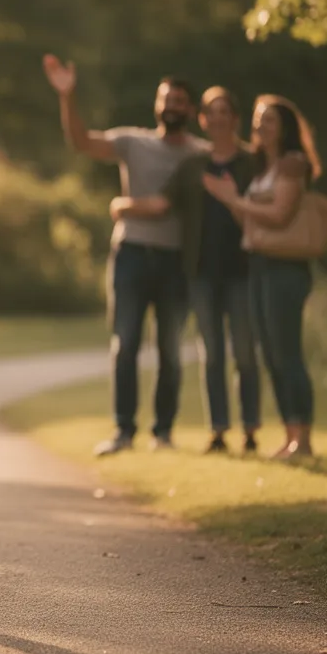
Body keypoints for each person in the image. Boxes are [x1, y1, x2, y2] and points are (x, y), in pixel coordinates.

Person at [42, 56, 209, 456]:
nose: (171, 106)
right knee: (126, 343)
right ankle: (123, 432)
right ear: (156, 104)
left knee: (170, 350)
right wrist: (67, 96)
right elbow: (82, 142)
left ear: (191, 109)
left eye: (179, 101)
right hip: (131, 255)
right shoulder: (134, 142)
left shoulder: (202, 155)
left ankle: (163, 434)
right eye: (166, 99)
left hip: (176, 261)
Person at [110, 87, 261, 454]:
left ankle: (251, 431)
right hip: (201, 271)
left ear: (235, 119)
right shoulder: (193, 165)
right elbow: (162, 203)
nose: (219, 119)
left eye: (225, 112)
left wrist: (231, 199)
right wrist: (123, 206)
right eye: (212, 113)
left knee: (244, 353)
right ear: (202, 119)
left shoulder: (252, 163)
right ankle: (218, 431)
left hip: (243, 270)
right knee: (212, 355)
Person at [201, 95, 321, 458]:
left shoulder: (293, 163)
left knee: (288, 352)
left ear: (284, 127)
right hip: (257, 264)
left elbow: (280, 215)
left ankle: (303, 437)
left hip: (285, 268)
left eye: (268, 120)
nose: (260, 126)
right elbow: (250, 222)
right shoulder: (260, 167)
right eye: (257, 119)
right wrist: (233, 202)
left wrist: (233, 199)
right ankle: (290, 435)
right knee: (270, 354)